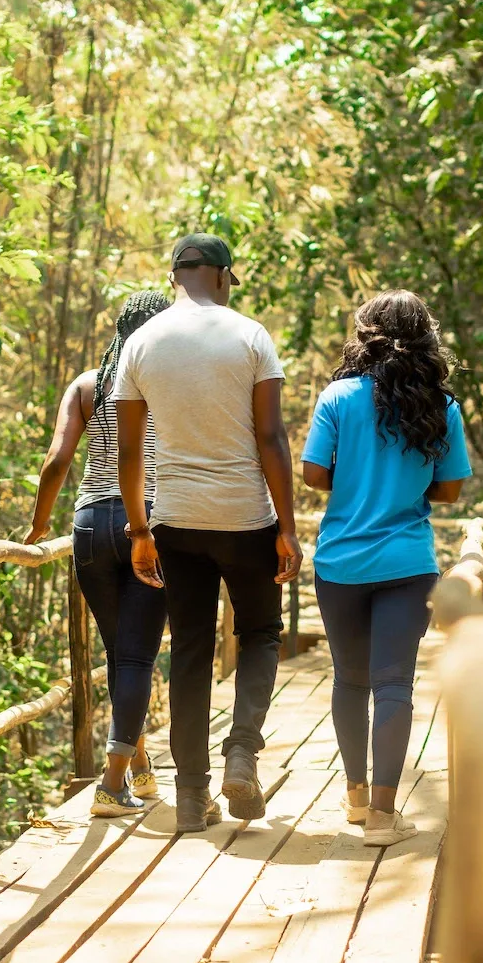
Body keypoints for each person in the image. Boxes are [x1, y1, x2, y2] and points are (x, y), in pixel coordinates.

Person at [114, 234, 302, 832]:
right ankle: (242, 753)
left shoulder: (140, 343)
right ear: (222, 277)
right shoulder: (250, 336)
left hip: (177, 521)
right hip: (246, 517)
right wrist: (287, 530)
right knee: (261, 634)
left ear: (176, 277)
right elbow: (271, 438)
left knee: (191, 648)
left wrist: (139, 530)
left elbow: (128, 453)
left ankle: (192, 798)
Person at [300, 291, 471, 846]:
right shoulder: (441, 407)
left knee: (349, 680)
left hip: (341, 562)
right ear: (426, 337)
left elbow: (311, 474)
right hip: (406, 561)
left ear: (364, 334)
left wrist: (353, 477)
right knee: (393, 683)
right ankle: (381, 816)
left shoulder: (338, 397)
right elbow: (449, 490)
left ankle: (353, 798)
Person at [25, 291, 173, 818]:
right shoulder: (167, 382)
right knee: (135, 657)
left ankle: (137, 765)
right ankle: (111, 784)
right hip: (146, 525)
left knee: (121, 653)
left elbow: (57, 459)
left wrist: (41, 522)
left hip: (89, 525)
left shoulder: (88, 384)